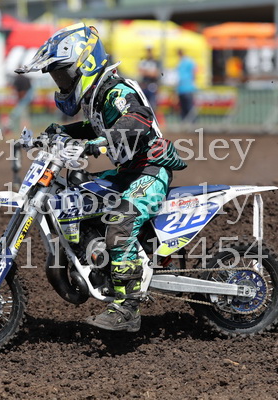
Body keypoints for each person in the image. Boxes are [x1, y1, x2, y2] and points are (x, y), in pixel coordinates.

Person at [17, 23, 186, 333]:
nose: (61, 83)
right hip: (127, 173)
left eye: (63, 75)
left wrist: (99, 143)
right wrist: (58, 133)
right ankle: (98, 262)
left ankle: (128, 307)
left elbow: (137, 120)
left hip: (150, 171)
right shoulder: (97, 99)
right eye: (57, 77)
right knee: (75, 193)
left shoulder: (117, 91)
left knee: (120, 221)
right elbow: (92, 127)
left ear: (86, 64)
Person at [8, 71, 34, 187]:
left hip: (26, 96)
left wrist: (21, 98)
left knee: (19, 113)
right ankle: (25, 133)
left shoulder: (19, 80)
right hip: (27, 95)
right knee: (22, 114)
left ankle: (25, 133)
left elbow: (22, 92)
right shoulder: (22, 79)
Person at [176, 48, 197, 123]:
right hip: (182, 89)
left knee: (188, 108)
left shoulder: (187, 61)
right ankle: (186, 124)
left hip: (187, 88)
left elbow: (194, 72)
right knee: (184, 108)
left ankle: (192, 124)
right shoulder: (181, 62)